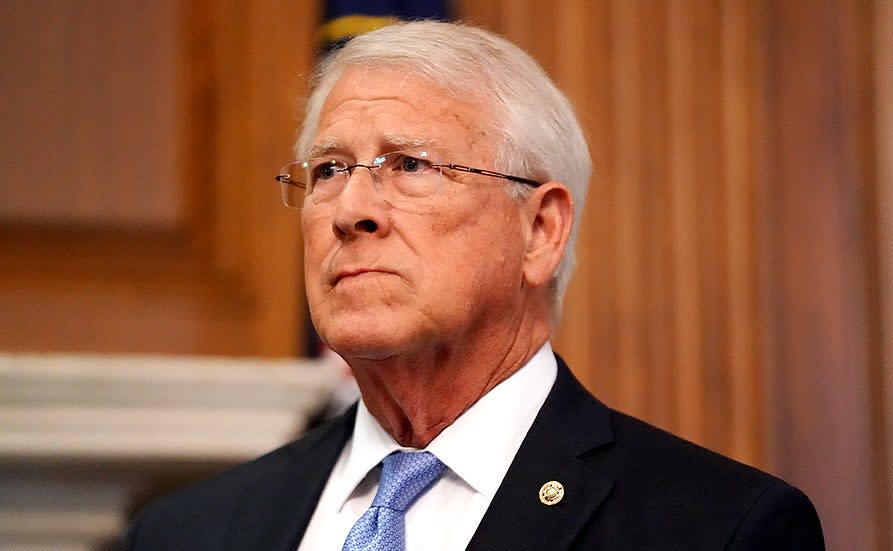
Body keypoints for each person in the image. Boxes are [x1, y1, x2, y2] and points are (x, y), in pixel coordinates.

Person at [120, 21, 824, 550]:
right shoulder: (187, 531)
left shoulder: (718, 529)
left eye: (411, 165)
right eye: (330, 169)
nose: (351, 209)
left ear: (541, 229)